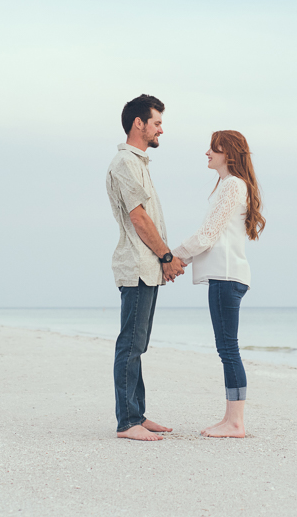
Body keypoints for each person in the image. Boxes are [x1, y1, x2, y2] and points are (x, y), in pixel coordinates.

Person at [172, 130, 265, 438]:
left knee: (228, 348)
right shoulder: (230, 186)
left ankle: (236, 423)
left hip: (227, 277)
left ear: (230, 154)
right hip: (226, 276)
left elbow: (207, 236)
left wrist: (171, 257)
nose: (207, 153)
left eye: (214, 148)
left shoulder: (233, 186)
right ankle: (230, 419)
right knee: (226, 348)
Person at [105, 94, 187, 442]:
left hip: (147, 267)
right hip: (137, 265)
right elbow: (139, 218)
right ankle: (127, 423)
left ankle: (136, 414)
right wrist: (167, 257)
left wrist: (164, 260)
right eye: (156, 123)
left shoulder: (139, 163)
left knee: (139, 344)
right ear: (139, 124)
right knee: (130, 344)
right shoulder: (125, 164)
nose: (161, 130)